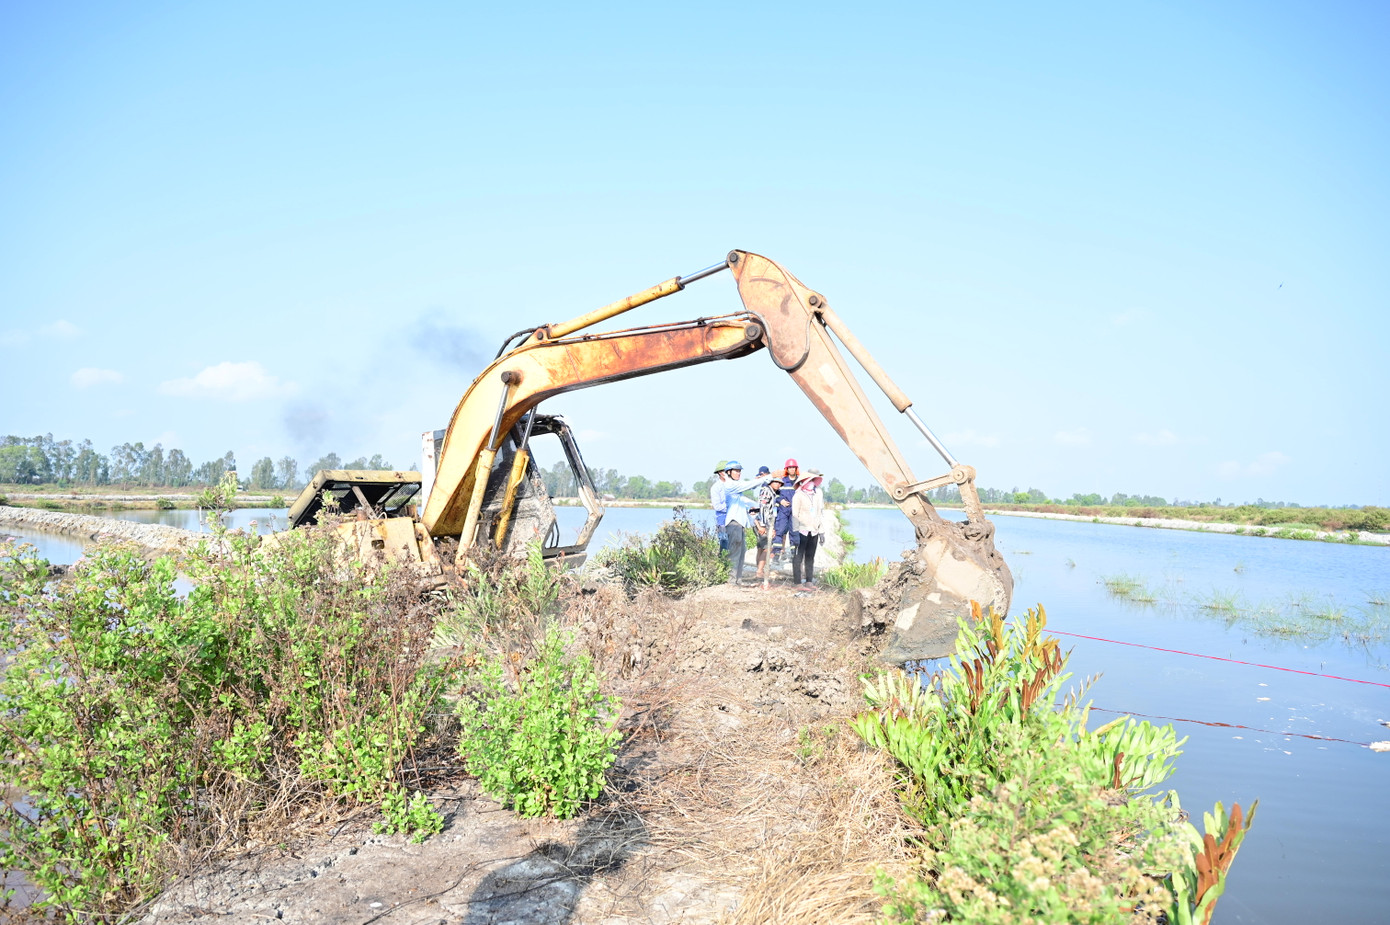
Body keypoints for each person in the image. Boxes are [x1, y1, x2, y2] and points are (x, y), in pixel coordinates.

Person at [717, 461, 773, 586]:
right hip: (733, 524)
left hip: (740, 524)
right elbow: (748, 485)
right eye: (736, 471)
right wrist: (767, 477)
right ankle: (731, 582)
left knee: (741, 553)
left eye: (739, 471)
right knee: (734, 553)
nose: (739, 473)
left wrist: (760, 506)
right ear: (728, 472)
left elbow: (745, 497)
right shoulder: (730, 485)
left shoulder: (736, 489)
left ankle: (738, 581)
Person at [791, 468, 826, 588]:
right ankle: (797, 582)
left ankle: (809, 581)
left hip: (814, 530)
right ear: (805, 481)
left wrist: (821, 532)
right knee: (798, 557)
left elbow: (819, 513)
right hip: (801, 530)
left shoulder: (817, 495)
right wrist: (795, 532)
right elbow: (795, 515)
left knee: (810, 557)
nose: (812, 483)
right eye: (810, 480)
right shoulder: (798, 495)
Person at [752, 472, 784, 586]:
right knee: (767, 548)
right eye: (776, 482)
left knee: (761, 547)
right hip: (764, 523)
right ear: (771, 482)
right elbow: (764, 509)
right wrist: (766, 527)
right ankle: (760, 571)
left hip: (763, 523)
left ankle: (759, 570)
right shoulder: (767, 491)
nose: (778, 485)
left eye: (779, 483)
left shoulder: (772, 492)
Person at [773, 458, 799, 563]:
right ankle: (776, 555)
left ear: (796, 469)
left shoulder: (799, 482)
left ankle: (794, 556)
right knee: (779, 533)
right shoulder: (782, 481)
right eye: (790, 467)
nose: (792, 469)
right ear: (787, 469)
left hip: (795, 512)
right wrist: (781, 500)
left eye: (793, 467)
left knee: (794, 534)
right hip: (783, 512)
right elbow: (775, 495)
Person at [709, 460, 730, 553]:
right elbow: (717, 506)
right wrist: (730, 505)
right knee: (724, 543)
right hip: (723, 519)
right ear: (720, 473)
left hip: (735, 519)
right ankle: (723, 564)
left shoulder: (734, 485)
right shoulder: (716, 487)